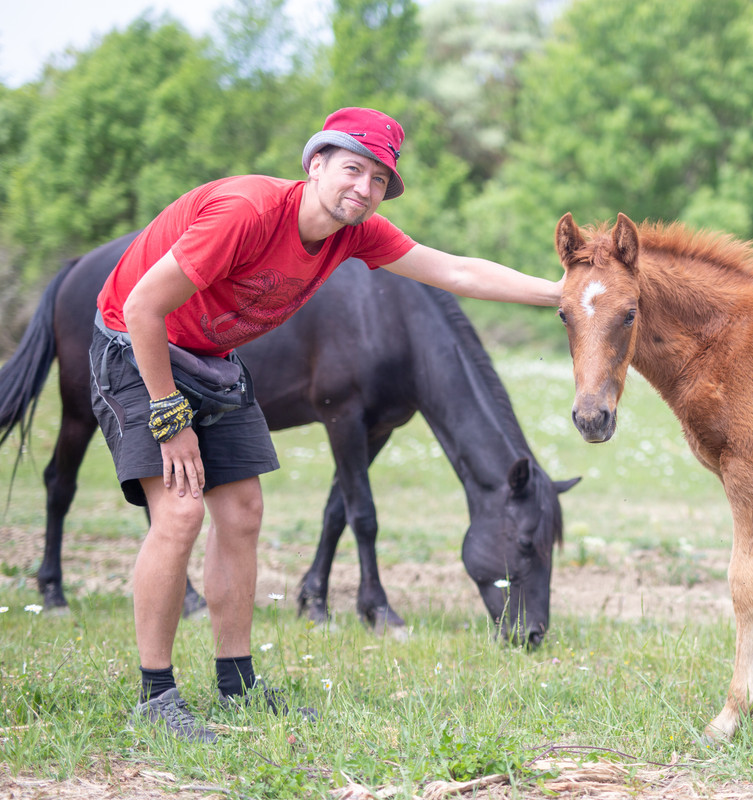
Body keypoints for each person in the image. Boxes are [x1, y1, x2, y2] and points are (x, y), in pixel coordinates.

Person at [89, 107, 563, 742]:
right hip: (134, 345)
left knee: (243, 512)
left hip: (211, 359)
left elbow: (454, 271)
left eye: (377, 180)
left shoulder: (353, 234)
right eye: (352, 170)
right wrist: (169, 416)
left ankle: (236, 689)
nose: (363, 189)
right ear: (315, 164)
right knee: (179, 512)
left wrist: (563, 294)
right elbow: (144, 304)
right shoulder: (248, 213)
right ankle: (156, 697)